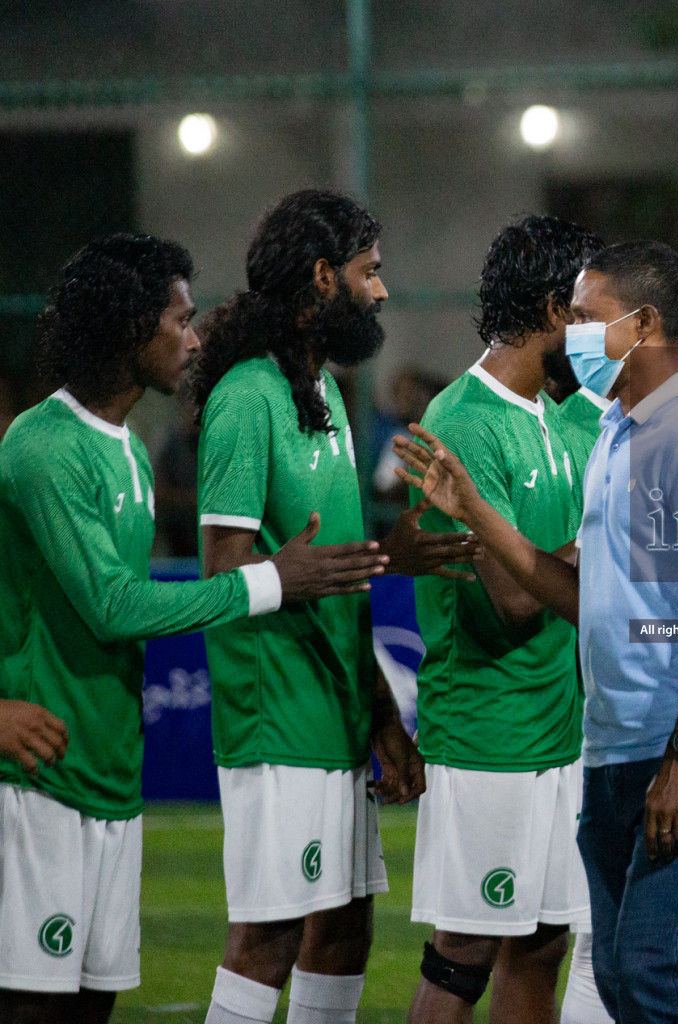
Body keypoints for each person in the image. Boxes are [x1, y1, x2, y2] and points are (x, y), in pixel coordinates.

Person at [395, 240, 678, 1024]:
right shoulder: (616, 432)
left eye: (584, 316)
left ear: (642, 324)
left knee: (651, 973)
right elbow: (579, 594)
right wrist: (475, 512)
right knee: (616, 976)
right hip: (614, 750)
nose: (569, 332)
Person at [0, 234, 385, 1024]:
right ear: (128, 328)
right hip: (38, 776)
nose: (196, 336)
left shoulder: (132, 455)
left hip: (107, 768)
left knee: (91, 1004)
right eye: (180, 320)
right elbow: (114, 605)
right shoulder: (41, 447)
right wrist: (272, 579)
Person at [192, 190, 469, 1024]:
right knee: (268, 940)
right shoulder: (247, 396)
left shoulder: (322, 396)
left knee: (345, 930)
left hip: (338, 711)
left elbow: (338, 585)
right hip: (278, 714)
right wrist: (393, 557)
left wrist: (382, 718)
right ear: (322, 277)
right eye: (369, 272)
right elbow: (222, 572)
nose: (381, 292)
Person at [404, 214, 601, 1024]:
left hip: (557, 728)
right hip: (488, 731)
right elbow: (513, 603)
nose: (596, 330)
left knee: (544, 941)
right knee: (464, 955)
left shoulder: (555, 416)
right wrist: (607, 537)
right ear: (554, 308)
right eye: (588, 311)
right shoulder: (464, 422)